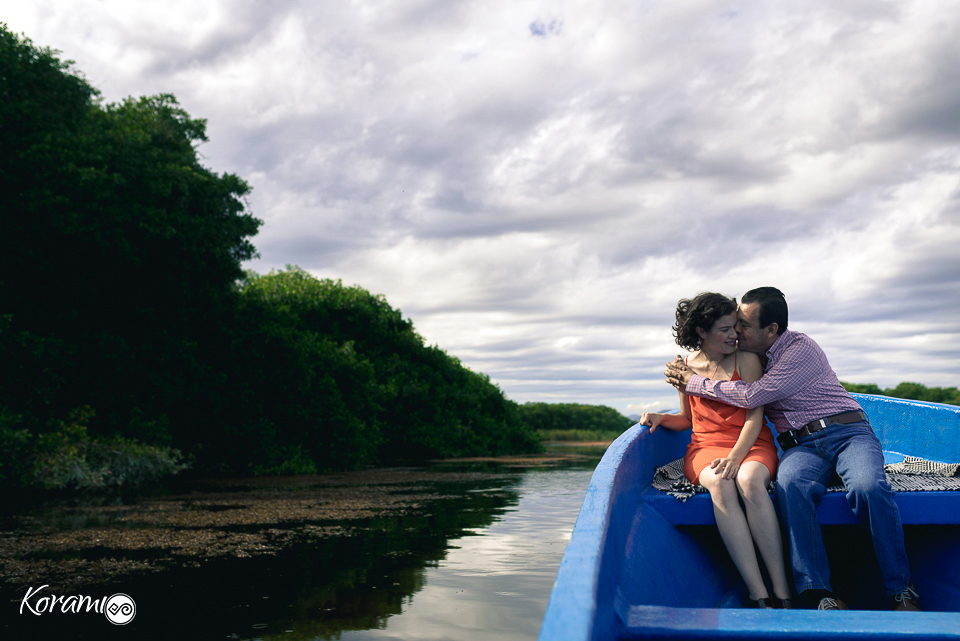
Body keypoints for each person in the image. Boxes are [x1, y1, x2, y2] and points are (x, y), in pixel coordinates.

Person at [664, 286, 919, 612]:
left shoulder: (799, 350)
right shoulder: (752, 355)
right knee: (790, 486)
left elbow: (751, 396)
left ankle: (901, 589)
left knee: (868, 487)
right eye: (734, 324)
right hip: (801, 446)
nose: (738, 331)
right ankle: (817, 594)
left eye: (743, 324)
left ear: (771, 330)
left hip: (848, 433)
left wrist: (691, 382)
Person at [641, 292, 792, 609]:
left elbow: (755, 416)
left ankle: (782, 590)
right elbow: (687, 418)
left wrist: (737, 457)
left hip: (751, 443)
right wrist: (660, 418)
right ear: (701, 331)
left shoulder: (746, 360)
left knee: (750, 480)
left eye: (735, 326)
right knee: (721, 483)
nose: (734, 334)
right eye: (725, 329)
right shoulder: (684, 367)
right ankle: (758, 592)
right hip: (705, 448)